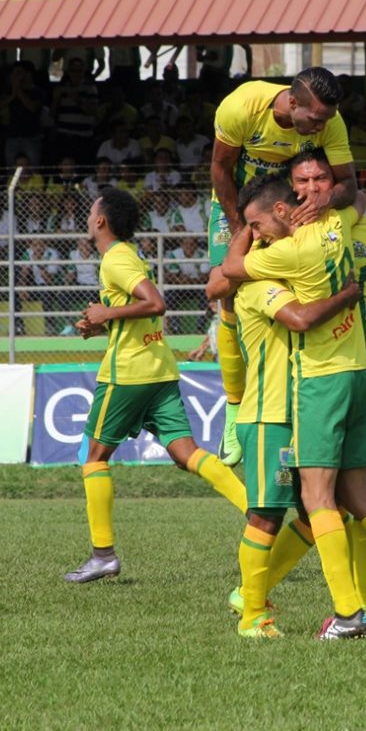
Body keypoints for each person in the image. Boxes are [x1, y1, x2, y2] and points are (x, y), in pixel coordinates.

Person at [222, 174, 366, 639]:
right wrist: (351, 295)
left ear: (287, 210)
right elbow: (356, 197)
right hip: (326, 387)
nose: (257, 233)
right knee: (326, 502)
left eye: (318, 179)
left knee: (320, 502)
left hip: (317, 386)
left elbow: (234, 272)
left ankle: (350, 610)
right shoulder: (324, 233)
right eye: (303, 180)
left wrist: (247, 231)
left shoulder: (286, 254)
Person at [63, 188, 248, 584]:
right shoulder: (128, 255)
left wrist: (107, 313)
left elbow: (155, 304)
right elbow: (141, 314)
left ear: (101, 221)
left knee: (94, 458)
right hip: (159, 369)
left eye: (92, 212)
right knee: (186, 453)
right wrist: (103, 325)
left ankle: (103, 555)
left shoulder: (115, 259)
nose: (89, 217)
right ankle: (258, 513)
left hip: (127, 375)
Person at [206, 228, 362, 637]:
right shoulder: (261, 287)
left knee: (322, 511)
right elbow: (301, 318)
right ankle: (253, 616)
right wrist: (348, 294)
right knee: (266, 517)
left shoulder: (287, 284)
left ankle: (249, 593)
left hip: (302, 412)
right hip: (268, 415)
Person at [208, 67, 356, 467]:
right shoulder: (242, 107)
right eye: (315, 119)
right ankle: (234, 405)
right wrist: (240, 227)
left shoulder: (331, 121)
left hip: (287, 205)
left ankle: (289, 401)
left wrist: (325, 200)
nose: (321, 127)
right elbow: (220, 169)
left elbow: (349, 185)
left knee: (295, 292)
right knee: (225, 293)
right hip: (238, 204)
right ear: (292, 103)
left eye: (326, 120)